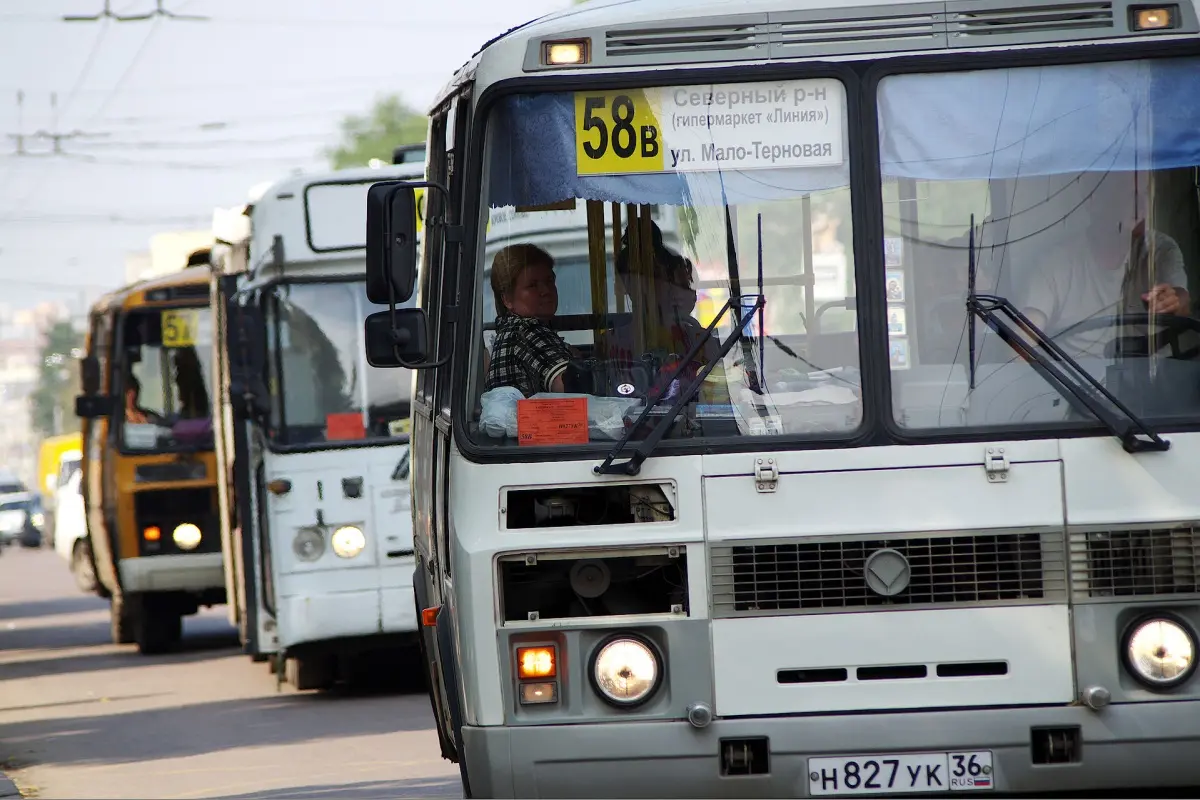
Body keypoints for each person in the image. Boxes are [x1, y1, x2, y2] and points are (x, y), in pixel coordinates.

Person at [1019, 171, 1191, 359]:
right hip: (1075, 385)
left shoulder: (1161, 250)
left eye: (1146, 195)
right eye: (1131, 197)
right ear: (1095, 200)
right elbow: (1021, 342)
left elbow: (1182, 300)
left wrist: (1173, 302)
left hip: (1151, 382)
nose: (1142, 207)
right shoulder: (1056, 263)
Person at [483, 243, 573, 398]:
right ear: (507, 299)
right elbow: (570, 385)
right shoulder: (528, 331)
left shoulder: (508, 332)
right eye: (532, 285)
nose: (546, 290)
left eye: (549, 280)